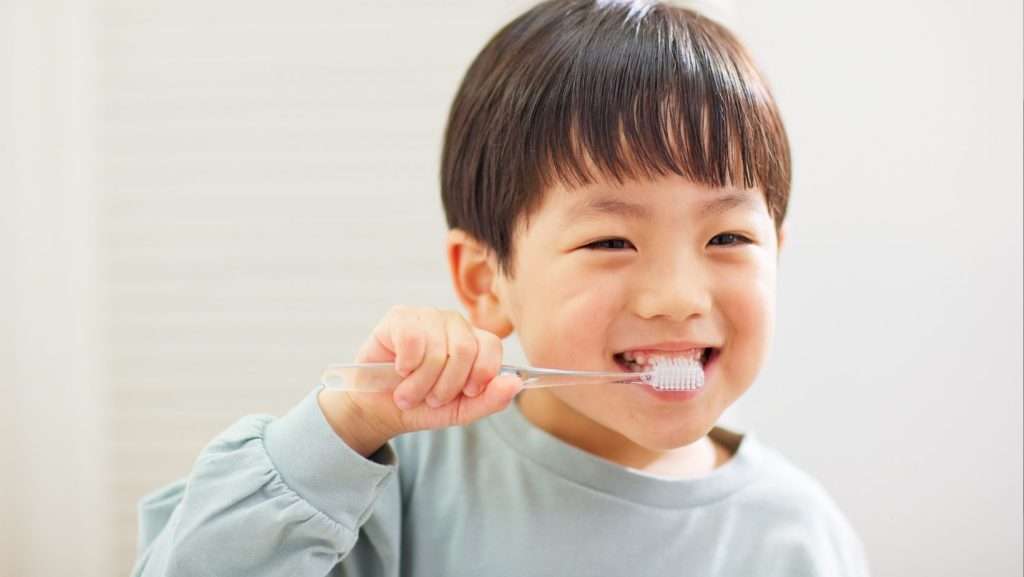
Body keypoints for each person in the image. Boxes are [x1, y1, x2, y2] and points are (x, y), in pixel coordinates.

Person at [131, 1, 870, 575]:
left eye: (729, 238)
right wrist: (346, 426)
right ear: (487, 281)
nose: (677, 294)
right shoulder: (391, 492)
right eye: (611, 240)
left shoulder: (801, 535)